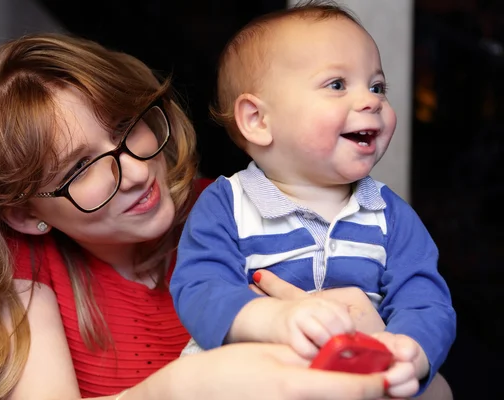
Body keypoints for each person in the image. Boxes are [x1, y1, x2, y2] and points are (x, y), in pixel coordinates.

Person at [0, 32, 395, 400]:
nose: (138, 171)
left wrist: (382, 353)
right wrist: (180, 388)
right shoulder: (25, 270)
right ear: (22, 213)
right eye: (81, 166)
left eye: (127, 127)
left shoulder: (242, 210)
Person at [169, 1, 456, 399]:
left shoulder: (389, 215)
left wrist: (411, 352)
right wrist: (273, 318)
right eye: (337, 84)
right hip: (250, 380)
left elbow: (426, 302)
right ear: (258, 120)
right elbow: (199, 288)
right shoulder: (227, 205)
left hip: (357, 377)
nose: (371, 100)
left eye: (377, 86)